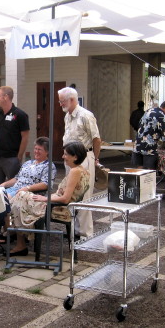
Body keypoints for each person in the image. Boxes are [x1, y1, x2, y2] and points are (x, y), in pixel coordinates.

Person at [8, 142, 90, 256]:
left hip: (58, 208)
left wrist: (45, 199)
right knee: (20, 197)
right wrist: (45, 198)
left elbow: (66, 199)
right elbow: (64, 196)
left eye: (66, 154)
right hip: (57, 204)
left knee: (20, 197)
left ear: (75, 157)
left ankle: (16, 238)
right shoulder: (83, 170)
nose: (63, 157)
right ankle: (20, 237)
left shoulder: (74, 171)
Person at [58, 86, 101, 238]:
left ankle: (84, 233)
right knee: (71, 195)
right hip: (70, 159)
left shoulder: (86, 115)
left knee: (84, 195)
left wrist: (95, 159)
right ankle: (74, 230)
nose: (60, 104)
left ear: (71, 99)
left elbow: (96, 139)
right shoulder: (67, 116)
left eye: (62, 101)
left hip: (84, 158)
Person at [0, 86, 30, 185]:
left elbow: (25, 137)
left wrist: (19, 156)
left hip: (12, 158)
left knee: (14, 187)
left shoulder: (20, 115)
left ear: (6, 97)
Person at [132, 99, 165, 169]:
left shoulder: (149, 111)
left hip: (138, 144)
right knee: (149, 171)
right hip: (149, 148)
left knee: (140, 167)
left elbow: (140, 125)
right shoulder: (162, 116)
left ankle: (137, 180)